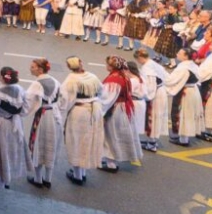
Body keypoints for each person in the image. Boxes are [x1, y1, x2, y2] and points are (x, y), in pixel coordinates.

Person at [59, 56, 105, 186]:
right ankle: (82, 172)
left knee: (77, 142)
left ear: (69, 66)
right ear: (81, 63)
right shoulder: (92, 76)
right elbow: (101, 91)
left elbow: (65, 99)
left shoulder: (71, 79)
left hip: (79, 112)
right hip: (95, 111)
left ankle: (77, 176)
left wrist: (61, 113)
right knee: (87, 141)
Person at [99, 56, 143, 173]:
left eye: (107, 64)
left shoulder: (114, 80)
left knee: (111, 135)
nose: (106, 66)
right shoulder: (124, 76)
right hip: (123, 108)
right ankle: (113, 160)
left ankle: (111, 164)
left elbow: (107, 99)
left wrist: (100, 112)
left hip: (115, 110)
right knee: (118, 134)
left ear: (112, 66)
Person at [23, 58, 62, 188]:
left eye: (33, 67)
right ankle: (48, 179)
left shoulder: (37, 84)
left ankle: (38, 179)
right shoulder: (55, 81)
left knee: (39, 145)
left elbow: (28, 101)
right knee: (51, 145)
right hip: (55, 116)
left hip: (43, 116)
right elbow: (62, 98)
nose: (30, 69)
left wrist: (20, 112)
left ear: (40, 69)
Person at [164, 48, 204, 146]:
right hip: (193, 91)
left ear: (186, 56)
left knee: (183, 114)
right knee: (189, 115)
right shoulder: (193, 65)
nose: (177, 54)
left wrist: (161, 73)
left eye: (180, 53)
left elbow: (171, 80)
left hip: (185, 92)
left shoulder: (183, 68)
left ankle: (183, 140)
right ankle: (185, 138)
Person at [135, 48, 169, 152]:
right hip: (161, 90)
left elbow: (150, 86)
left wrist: (144, 97)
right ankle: (152, 140)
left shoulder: (147, 69)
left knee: (153, 117)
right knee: (156, 117)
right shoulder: (154, 64)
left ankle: (152, 143)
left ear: (140, 58)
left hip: (155, 94)